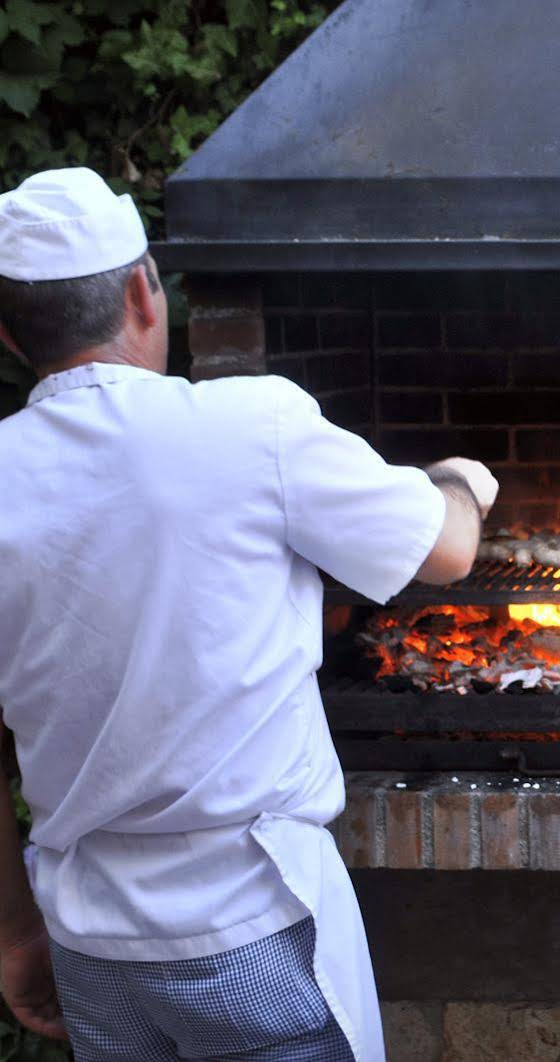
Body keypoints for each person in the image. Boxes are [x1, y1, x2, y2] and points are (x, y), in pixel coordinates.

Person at [0, 167, 499, 1061]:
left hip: (92, 946)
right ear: (143, 292)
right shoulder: (249, 426)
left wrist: (13, 936)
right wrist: (460, 479)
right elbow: (449, 549)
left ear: (7, 334)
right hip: (254, 924)